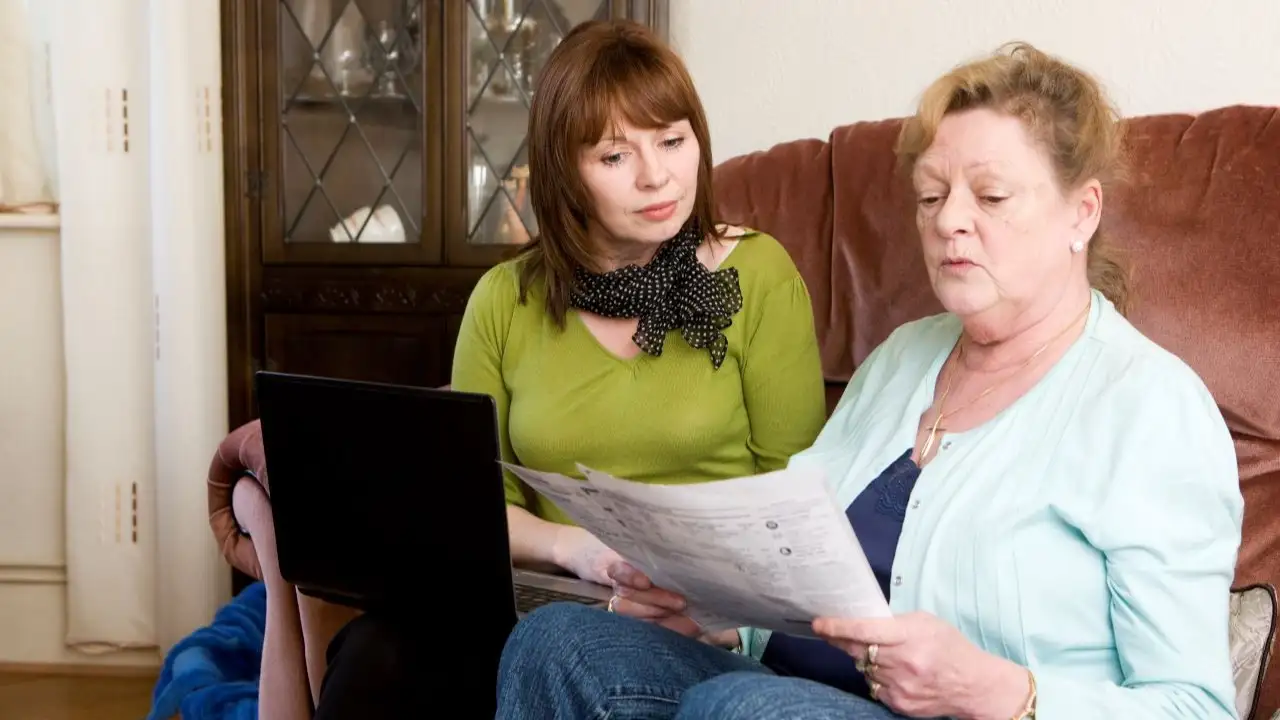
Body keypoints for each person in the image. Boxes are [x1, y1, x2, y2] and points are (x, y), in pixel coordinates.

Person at [496, 41, 1245, 720]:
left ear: (1082, 211)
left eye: (989, 196)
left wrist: (1009, 694)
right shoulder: (902, 358)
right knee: (559, 641)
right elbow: (795, 565)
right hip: (781, 689)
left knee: (746, 709)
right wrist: (719, 616)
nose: (950, 220)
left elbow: (1196, 707)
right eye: (930, 195)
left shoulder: (1149, 407)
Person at [266, 18, 829, 719]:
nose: (658, 176)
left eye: (673, 141)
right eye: (615, 156)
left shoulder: (757, 275)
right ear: (564, 170)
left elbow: (803, 504)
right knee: (377, 653)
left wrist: (728, 614)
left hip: (700, 622)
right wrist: (577, 550)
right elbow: (466, 510)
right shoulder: (505, 299)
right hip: (545, 600)